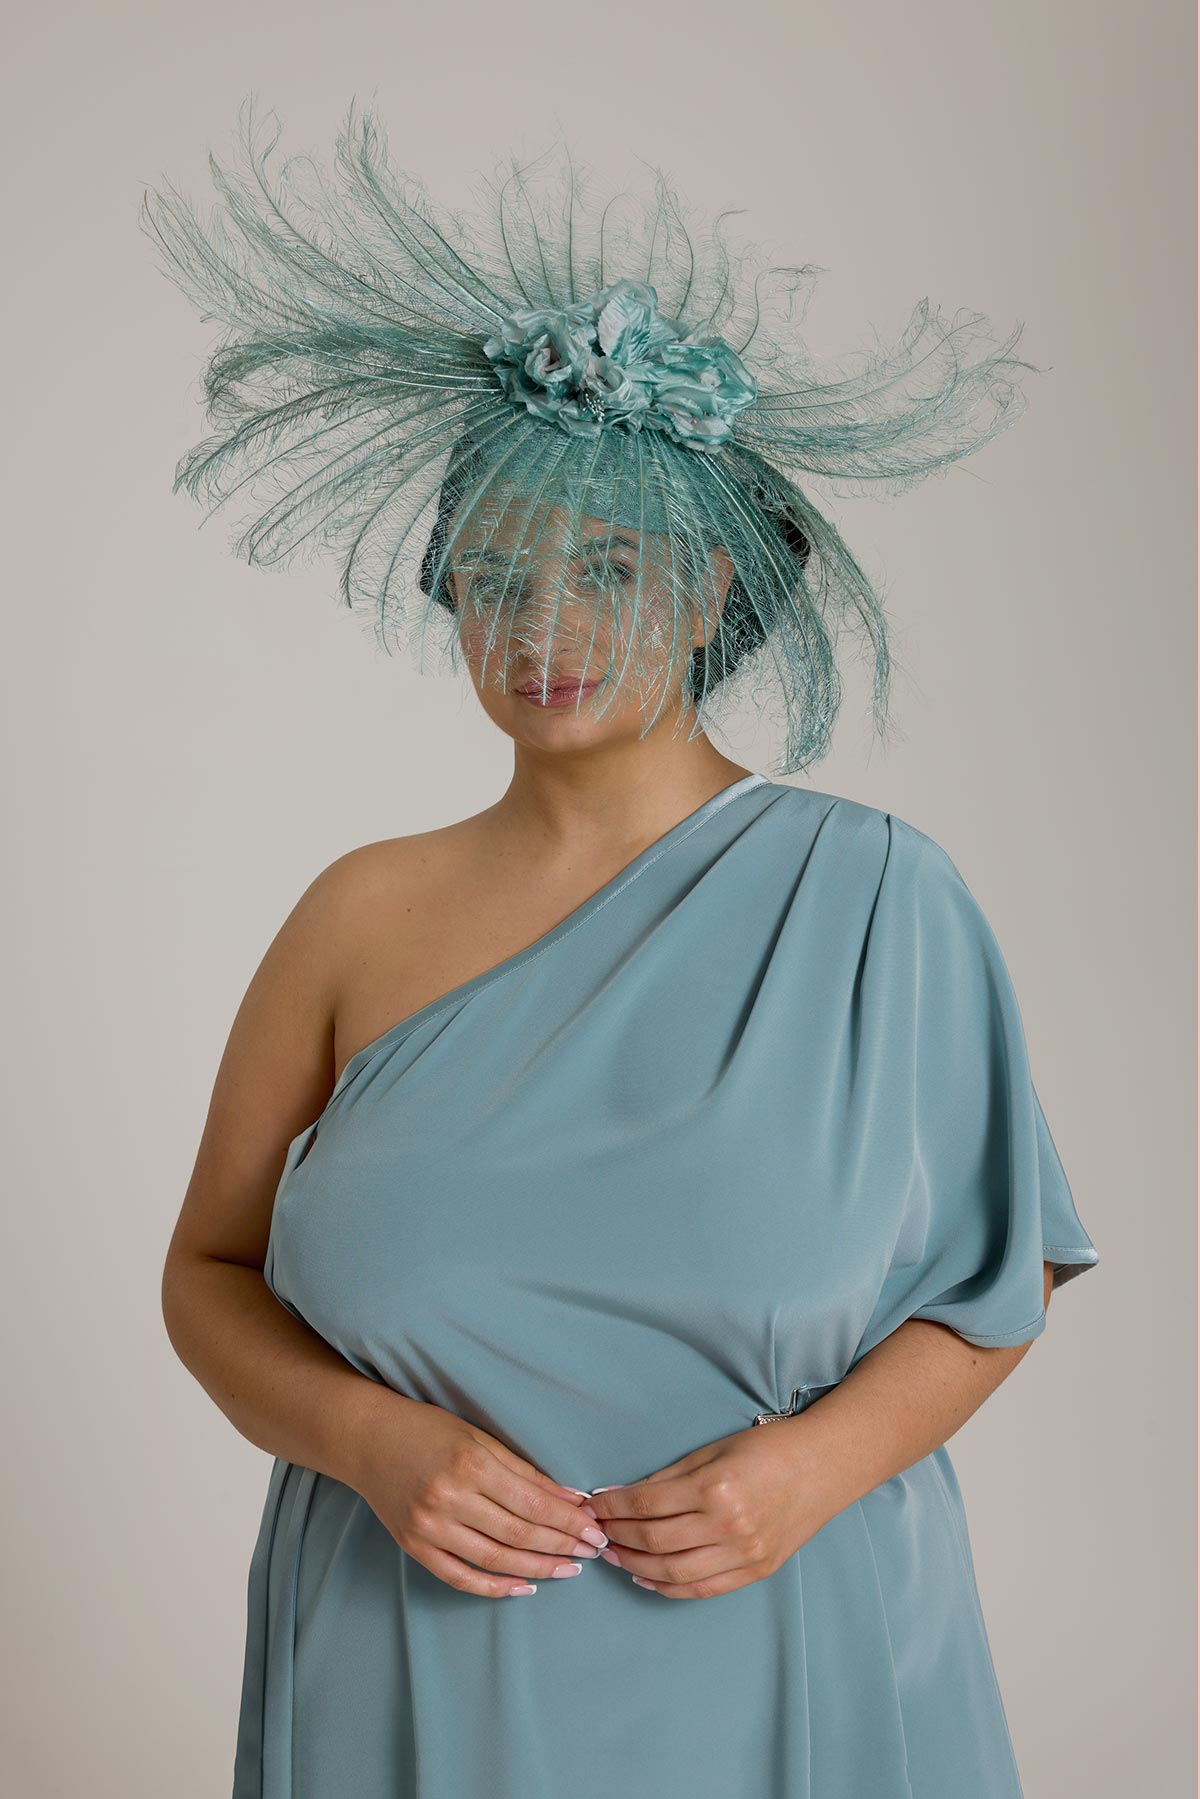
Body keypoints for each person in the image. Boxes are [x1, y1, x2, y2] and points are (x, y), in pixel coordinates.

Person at [145, 100, 1100, 1798]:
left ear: (721, 589)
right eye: (493, 575)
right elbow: (206, 1276)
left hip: (786, 1636)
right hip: (394, 1647)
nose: (542, 627)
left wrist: (807, 1475)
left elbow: (1001, 1274)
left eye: (608, 566)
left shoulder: (879, 897)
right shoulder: (357, 911)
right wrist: (372, 1442)